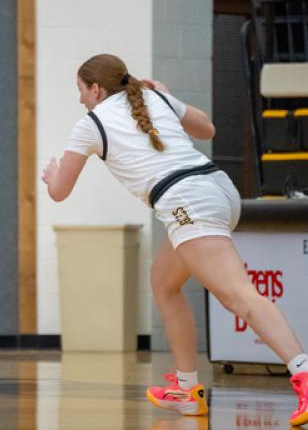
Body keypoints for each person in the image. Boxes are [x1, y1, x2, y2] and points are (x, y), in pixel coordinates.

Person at [41, 53, 308, 427]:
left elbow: (59, 192)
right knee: (164, 284)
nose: (80, 98)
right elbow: (207, 130)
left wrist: (51, 174)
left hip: (188, 200)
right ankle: (187, 390)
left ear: (96, 89)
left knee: (239, 295)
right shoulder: (153, 97)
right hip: (217, 189)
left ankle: (304, 373)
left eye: (81, 90)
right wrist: (168, 95)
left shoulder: (91, 123)